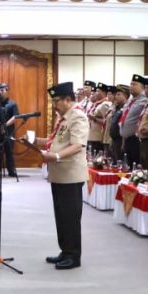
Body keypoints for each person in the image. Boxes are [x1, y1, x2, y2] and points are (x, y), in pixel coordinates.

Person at [37, 82, 88, 270]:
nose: (54, 105)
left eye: (56, 101)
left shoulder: (78, 116)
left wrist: (56, 156)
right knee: (61, 216)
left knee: (70, 217)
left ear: (68, 99)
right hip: (59, 174)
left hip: (70, 175)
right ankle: (65, 251)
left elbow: (77, 145)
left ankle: (74, 256)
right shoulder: (64, 117)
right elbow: (57, 142)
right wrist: (35, 141)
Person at [0, 82, 19, 177]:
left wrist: (5, 125)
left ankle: (11, 171)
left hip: (9, 130)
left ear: (7, 91)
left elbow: (15, 117)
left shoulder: (12, 103)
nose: (0, 92)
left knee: (9, 151)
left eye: (2, 90)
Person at [118, 75, 148, 167]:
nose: (131, 86)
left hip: (136, 140)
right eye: (131, 84)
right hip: (127, 139)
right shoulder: (131, 100)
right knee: (129, 166)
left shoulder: (145, 100)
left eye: (134, 84)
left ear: (142, 87)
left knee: (137, 166)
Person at [86, 84, 112, 158]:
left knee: (96, 158)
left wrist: (94, 118)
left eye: (98, 91)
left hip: (98, 137)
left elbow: (106, 122)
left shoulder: (105, 104)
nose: (95, 93)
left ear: (104, 93)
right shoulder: (97, 104)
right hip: (91, 136)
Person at [106, 85, 128, 162]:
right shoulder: (116, 107)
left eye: (119, 94)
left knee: (120, 162)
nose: (116, 96)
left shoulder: (126, 108)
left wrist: (123, 143)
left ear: (125, 96)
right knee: (114, 162)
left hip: (121, 140)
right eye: (116, 94)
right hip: (114, 140)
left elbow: (125, 126)